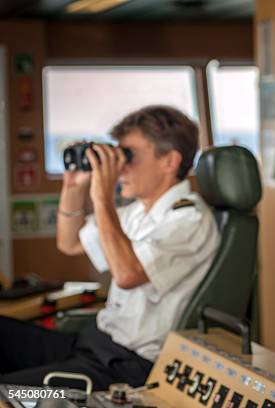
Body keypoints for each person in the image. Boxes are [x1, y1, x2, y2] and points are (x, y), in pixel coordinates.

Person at [0, 105, 220, 390]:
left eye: (128, 156)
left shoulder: (190, 220)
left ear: (169, 161)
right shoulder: (137, 212)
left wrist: (102, 197)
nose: (120, 167)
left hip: (127, 367)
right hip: (95, 343)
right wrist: (74, 187)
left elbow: (127, 275)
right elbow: (70, 242)